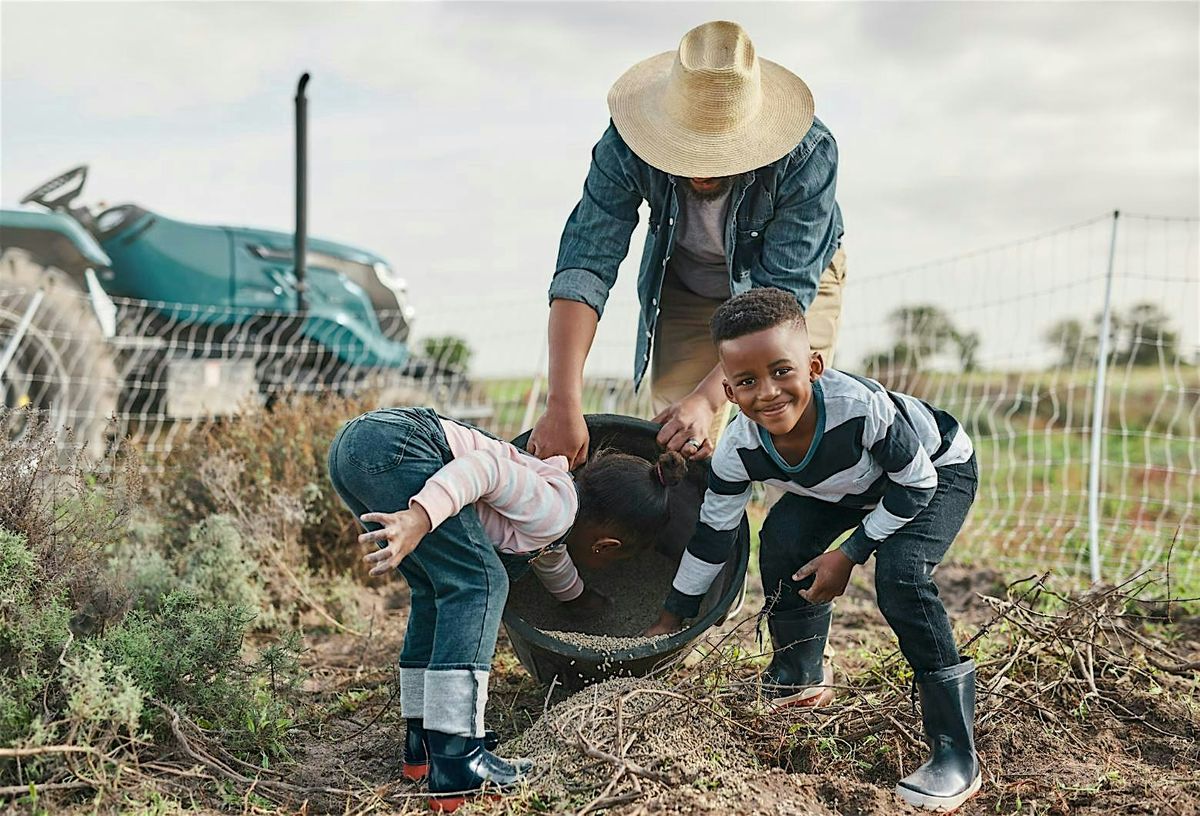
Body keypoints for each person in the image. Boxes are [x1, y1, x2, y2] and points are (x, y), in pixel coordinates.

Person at [645, 288, 981, 812]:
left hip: (934, 472)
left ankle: (954, 751)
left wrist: (849, 554)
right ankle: (800, 672)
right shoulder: (740, 448)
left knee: (901, 577)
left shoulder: (859, 409)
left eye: (782, 371)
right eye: (748, 381)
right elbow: (713, 535)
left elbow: (915, 485)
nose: (769, 392)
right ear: (729, 393)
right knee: (780, 539)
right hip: (846, 488)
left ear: (815, 365)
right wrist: (672, 616)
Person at [326, 407, 687, 812]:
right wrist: (419, 518)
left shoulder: (555, 516)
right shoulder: (554, 509)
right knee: (481, 583)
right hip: (398, 448)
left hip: (358, 448)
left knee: (435, 589)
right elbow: (482, 469)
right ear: (607, 546)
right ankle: (459, 759)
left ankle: (425, 744)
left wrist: (587, 602)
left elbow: (555, 567)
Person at [530, 20, 847, 468]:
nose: (699, 167)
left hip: (788, 292)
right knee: (677, 440)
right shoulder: (624, 145)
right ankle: (698, 535)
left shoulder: (809, 154)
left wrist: (710, 398)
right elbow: (586, 265)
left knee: (787, 422)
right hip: (689, 279)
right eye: (684, 149)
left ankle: (789, 524)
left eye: (718, 151)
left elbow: (785, 295)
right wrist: (562, 403)